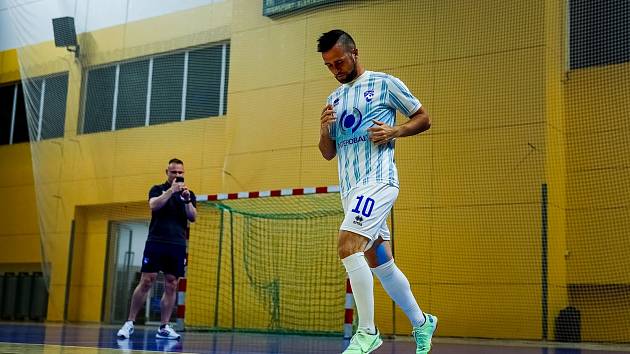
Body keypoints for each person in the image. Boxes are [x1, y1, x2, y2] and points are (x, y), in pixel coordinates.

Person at [317, 30, 437, 354]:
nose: (336, 69)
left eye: (339, 62)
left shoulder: (385, 83)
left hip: (379, 181)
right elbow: (328, 153)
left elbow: (424, 117)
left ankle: (367, 332)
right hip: (351, 190)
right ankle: (422, 321)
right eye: (329, 66)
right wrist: (325, 130)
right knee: (380, 261)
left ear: (354, 52)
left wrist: (396, 130)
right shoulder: (334, 99)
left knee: (347, 244)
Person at [117, 158, 197, 340]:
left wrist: (186, 201)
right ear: (167, 172)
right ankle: (129, 323)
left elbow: (193, 217)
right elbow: (153, 205)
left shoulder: (188, 193)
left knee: (172, 283)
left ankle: (164, 327)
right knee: (147, 280)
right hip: (156, 241)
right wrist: (171, 191)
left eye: (180, 173)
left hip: (177, 244)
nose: (177, 175)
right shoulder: (157, 189)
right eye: (174, 172)